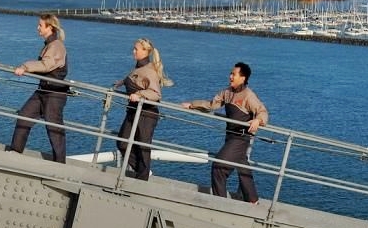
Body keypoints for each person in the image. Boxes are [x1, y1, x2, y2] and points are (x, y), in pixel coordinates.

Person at [181, 62, 267, 203]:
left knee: (218, 167)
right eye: (230, 73)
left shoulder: (248, 96)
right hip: (230, 137)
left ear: (243, 78)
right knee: (242, 167)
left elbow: (262, 112)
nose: (230, 76)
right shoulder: (226, 93)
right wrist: (192, 105)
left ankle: (220, 203)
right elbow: (211, 105)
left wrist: (258, 121)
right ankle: (253, 200)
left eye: (234, 74)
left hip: (241, 138)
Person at [8, 14, 68, 163]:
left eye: (40, 25)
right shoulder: (50, 44)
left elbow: (46, 65)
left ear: (50, 27)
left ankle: (60, 165)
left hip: (54, 93)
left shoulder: (56, 46)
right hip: (43, 91)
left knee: (54, 129)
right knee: (24, 116)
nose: (38, 28)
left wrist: (25, 67)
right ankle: (15, 152)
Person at [112, 38, 173, 181]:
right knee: (122, 142)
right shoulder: (138, 67)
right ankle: (142, 171)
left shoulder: (149, 70)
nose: (133, 51)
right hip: (133, 111)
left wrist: (139, 95)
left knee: (143, 147)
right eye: (134, 48)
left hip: (146, 114)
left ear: (145, 51)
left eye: (136, 49)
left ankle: (143, 177)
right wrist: (121, 83)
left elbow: (156, 94)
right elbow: (134, 78)